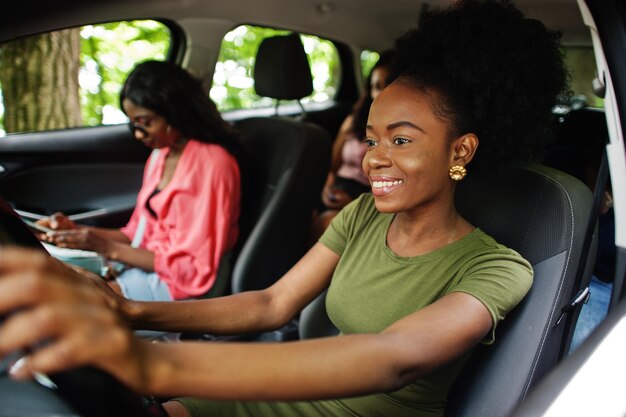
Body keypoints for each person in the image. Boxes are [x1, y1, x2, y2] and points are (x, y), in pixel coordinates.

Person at [0, 1, 568, 416]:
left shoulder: (497, 268)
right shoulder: (363, 216)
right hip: (297, 392)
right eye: (371, 140)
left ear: (460, 150)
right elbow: (272, 303)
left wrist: (154, 364)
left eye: (401, 140)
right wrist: (135, 316)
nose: (373, 160)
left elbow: (395, 356)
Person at [36, 60, 242, 302]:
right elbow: (137, 233)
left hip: (181, 284)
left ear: (174, 112)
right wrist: (76, 232)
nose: (137, 134)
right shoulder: (161, 155)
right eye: (134, 124)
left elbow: (193, 268)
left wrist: (106, 247)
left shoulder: (212, 164)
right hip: (146, 265)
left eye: (146, 123)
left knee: (66, 302)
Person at [310, 50, 394, 241]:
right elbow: (332, 165)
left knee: (327, 223)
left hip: (368, 196)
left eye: (387, 84)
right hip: (337, 188)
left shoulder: (402, 131)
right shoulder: (354, 120)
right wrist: (327, 189)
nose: (379, 93)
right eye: (375, 86)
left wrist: (356, 203)